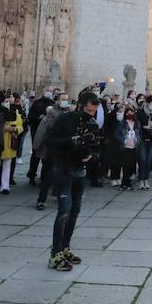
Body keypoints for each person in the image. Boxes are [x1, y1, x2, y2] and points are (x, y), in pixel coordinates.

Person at [46, 91, 100, 271]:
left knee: (75, 210)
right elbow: (50, 141)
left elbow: (96, 145)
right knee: (64, 211)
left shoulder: (92, 123)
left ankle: (65, 247)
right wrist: (73, 140)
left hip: (80, 169)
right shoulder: (65, 119)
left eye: (94, 111)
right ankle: (55, 254)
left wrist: (91, 155)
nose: (91, 114)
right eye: (89, 110)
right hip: (63, 167)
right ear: (80, 106)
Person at [31, 103, 58, 210]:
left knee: (47, 176)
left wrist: (35, 147)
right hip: (56, 151)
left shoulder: (48, 118)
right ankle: (54, 194)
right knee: (56, 174)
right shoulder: (66, 118)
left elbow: (39, 134)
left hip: (51, 151)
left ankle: (42, 200)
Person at [117, 108, 141, 190]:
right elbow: (117, 134)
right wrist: (123, 140)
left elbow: (139, 134)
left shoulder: (137, 123)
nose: (130, 114)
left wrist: (138, 141)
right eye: (128, 113)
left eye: (131, 112)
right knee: (125, 166)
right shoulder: (122, 123)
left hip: (134, 146)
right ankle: (125, 183)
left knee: (131, 165)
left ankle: (127, 182)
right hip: (125, 147)